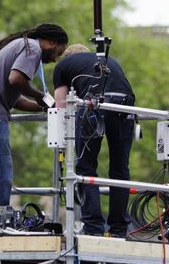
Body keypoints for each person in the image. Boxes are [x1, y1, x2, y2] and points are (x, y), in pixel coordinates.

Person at [0, 23, 68, 206]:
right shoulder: (32, 49)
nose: (55, 59)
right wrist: (39, 95)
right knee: (1, 166)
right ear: (51, 42)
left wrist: (41, 107)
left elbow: (14, 98)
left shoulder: (21, 45)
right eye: (58, 52)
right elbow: (16, 79)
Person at [53, 44, 135, 237]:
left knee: (86, 168)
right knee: (120, 169)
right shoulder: (109, 61)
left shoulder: (63, 65)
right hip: (126, 107)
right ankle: (119, 229)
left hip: (94, 105)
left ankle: (93, 228)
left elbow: (61, 106)